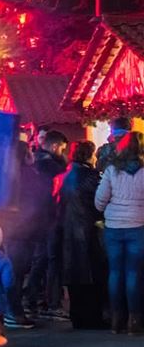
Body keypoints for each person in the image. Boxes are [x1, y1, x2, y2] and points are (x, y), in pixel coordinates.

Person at [0, 141, 47, 329]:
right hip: (23, 230)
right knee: (15, 273)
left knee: (12, 272)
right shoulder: (28, 175)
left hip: (11, 229)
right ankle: (13, 313)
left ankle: (9, 311)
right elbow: (38, 201)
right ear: (24, 155)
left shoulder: (5, 174)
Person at [95, 131, 144, 335]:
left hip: (114, 227)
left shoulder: (111, 171)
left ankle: (117, 319)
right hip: (138, 226)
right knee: (133, 273)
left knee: (115, 272)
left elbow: (99, 200)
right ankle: (134, 319)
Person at [58, 141, 106, 329]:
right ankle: (92, 318)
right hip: (87, 229)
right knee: (91, 274)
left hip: (69, 229)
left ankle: (77, 316)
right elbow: (100, 200)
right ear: (88, 155)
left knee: (75, 275)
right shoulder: (90, 176)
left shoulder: (67, 175)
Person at [28, 129, 69, 319]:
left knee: (40, 260)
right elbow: (57, 193)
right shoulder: (53, 167)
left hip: (33, 218)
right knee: (52, 260)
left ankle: (32, 299)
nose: (63, 152)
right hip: (49, 218)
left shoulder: (32, 162)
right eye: (62, 148)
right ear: (54, 146)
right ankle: (52, 303)